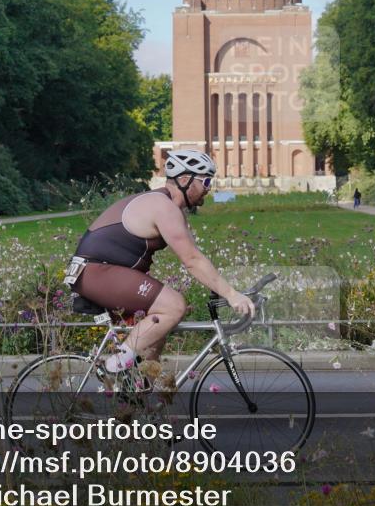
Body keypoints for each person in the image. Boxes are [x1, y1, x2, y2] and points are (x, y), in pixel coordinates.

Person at [68, 150, 254, 375]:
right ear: (185, 180)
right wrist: (231, 294)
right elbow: (192, 260)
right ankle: (112, 367)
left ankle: (141, 403)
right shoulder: (162, 207)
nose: (209, 187)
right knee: (172, 305)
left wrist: (221, 287)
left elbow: (194, 254)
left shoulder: (167, 207)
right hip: (96, 271)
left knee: (153, 338)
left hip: (100, 271)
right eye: (205, 180)